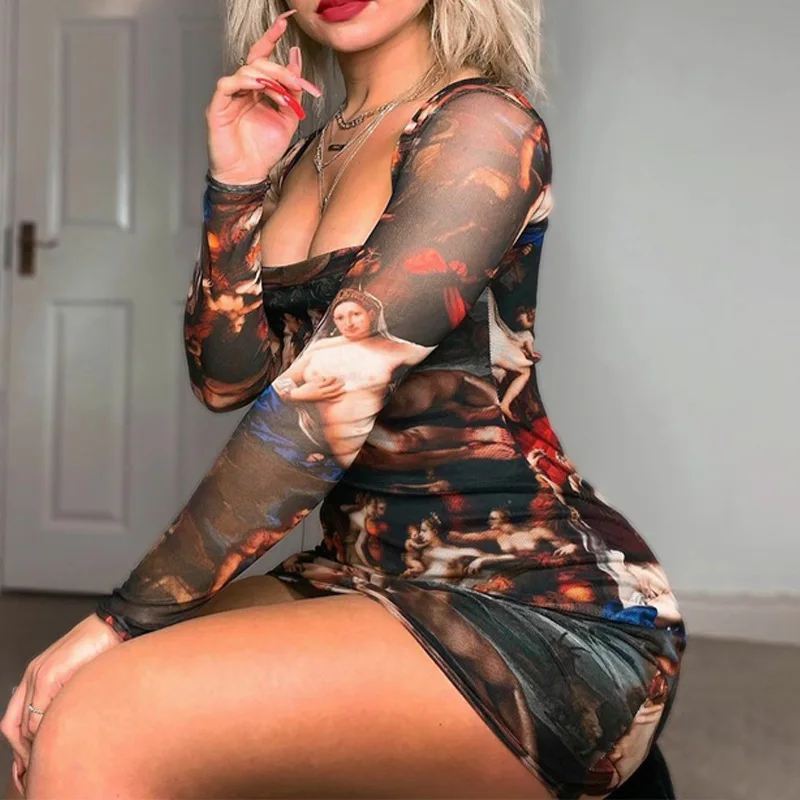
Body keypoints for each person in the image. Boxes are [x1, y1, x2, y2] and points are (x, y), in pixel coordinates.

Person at [1, 1, 685, 798]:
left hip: (531, 600)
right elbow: (225, 377)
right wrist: (237, 183)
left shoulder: (482, 127)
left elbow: (315, 416)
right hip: (356, 569)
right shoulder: (309, 148)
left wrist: (123, 614)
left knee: (101, 719)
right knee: (86, 694)